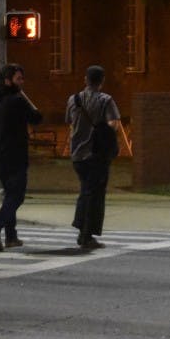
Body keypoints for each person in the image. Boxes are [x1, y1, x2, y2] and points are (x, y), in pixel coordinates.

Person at [0, 64, 43, 251]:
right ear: (8, 80)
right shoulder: (16, 100)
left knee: (9, 194)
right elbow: (37, 118)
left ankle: (11, 236)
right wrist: (25, 96)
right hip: (15, 154)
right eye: (18, 79)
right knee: (17, 196)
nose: (22, 82)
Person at [66, 65, 121, 249]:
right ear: (102, 81)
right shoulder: (106, 100)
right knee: (95, 195)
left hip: (77, 155)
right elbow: (114, 123)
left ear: (85, 79)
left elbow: (70, 123)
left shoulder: (73, 100)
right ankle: (86, 235)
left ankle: (82, 228)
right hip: (96, 154)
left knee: (86, 190)